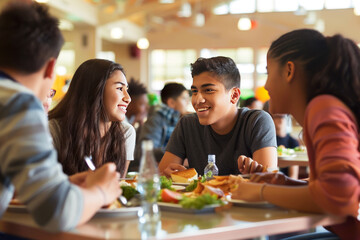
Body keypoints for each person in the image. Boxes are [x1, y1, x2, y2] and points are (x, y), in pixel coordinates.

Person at [0, 2, 120, 233]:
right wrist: (101, 192)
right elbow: (57, 212)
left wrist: (60, 186)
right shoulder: (18, 103)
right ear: (50, 67)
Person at [232, 29, 360, 239]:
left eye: (268, 72)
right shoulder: (326, 107)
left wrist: (260, 192)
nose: (265, 85)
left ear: (289, 71)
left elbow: (339, 197)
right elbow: (336, 187)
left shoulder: (324, 108)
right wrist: (285, 183)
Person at [159, 56, 277, 176]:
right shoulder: (187, 124)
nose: (197, 100)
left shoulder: (257, 122)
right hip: (201, 195)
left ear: (234, 95)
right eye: (194, 92)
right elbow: (162, 176)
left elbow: (268, 182)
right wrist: (166, 176)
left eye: (209, 90)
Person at [48, 59, 135, 178]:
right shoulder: (53, 130)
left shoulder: (125, 133)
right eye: (120, 88)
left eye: (127, 90)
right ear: (95, 90)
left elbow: (119, 186)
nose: (128, 98)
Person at [138, 82, 190, 162]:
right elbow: (147, 150)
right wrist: (179, 153)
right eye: (184, 99)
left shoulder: (176, 119)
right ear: (171, 102)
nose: (188, 102)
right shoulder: (156, 119)